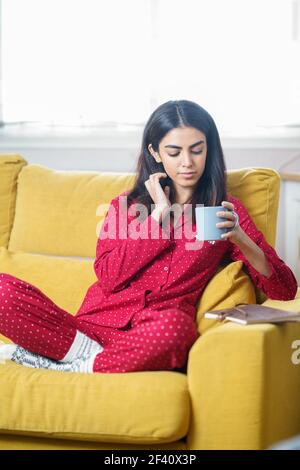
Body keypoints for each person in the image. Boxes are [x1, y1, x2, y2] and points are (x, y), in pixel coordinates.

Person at [0, 100, 298, 374]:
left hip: (154, 332)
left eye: (197, 150)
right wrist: (157, 218)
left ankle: (72, 365)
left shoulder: (225, 210)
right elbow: (108, 277)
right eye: (174, 152)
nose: (187, 162)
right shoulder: (125, 206)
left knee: (176, 331)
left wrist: (240, 238)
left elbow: (285, 289)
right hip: (91, 328)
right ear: (155, 152)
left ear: (210, 149)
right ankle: (88, 358)